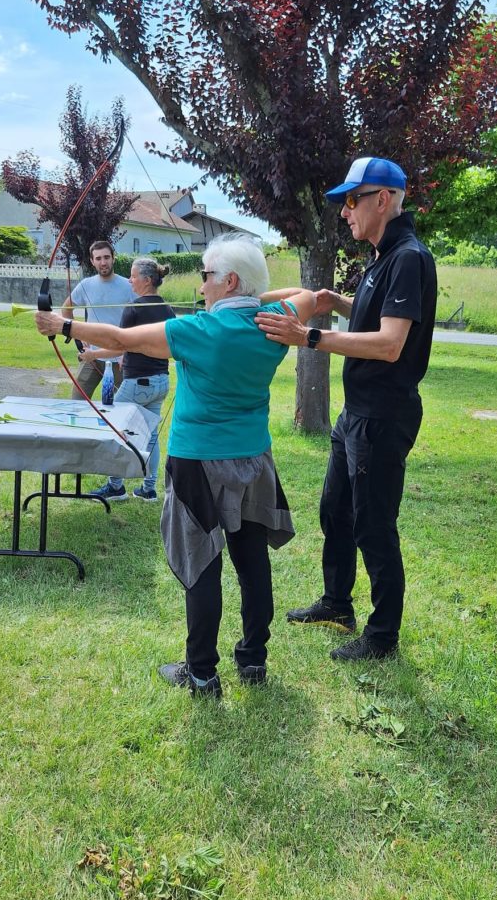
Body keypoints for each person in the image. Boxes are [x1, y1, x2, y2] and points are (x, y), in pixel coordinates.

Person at [36, 234, 315, 697]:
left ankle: (202, 672)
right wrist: (249, 298)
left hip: (198, 462)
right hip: (253, 458)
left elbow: (121, 339)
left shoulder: (197, 332)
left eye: (207, 277)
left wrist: (62, 327)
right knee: (251, 560)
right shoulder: (277, 322)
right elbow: (309, 296)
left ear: (227, 281)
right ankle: (253, 660)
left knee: (202, 564)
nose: (200, 287)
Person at [256, 157, 437, 661]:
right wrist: (336, 303)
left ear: (384, 199)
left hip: (382, 415)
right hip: (356, 412)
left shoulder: (407, 257)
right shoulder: (383, 255)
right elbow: (375, 313)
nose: (345, 212)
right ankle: (337, 602)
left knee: (373, 525)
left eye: (353, 200)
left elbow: (389, 344)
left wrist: (308, 336)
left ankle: (382, 637)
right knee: (335, 511)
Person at [86, 257, 176, 503]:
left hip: (138, 384)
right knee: (152, 435)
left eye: (134, 276)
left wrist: (92, 354)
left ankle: (116, 486)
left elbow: (118, 345)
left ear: (147, 280)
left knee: (114, 427)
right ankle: (148, 488)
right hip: (161, 382)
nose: (130, 280)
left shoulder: (134, 307)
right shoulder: (168, 309)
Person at [62, 239, 135, 400]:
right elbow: (66, 309)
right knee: (76, 401)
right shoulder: (86, 285)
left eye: (106, 257)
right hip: (91, 357)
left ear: (113, 258)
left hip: (120, 359)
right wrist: (78, 337)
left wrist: (128, 350)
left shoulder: (128, 286)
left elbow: (141, 320)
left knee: (123, 407)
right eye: (98, 258)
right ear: (92, 261)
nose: (103, 262)